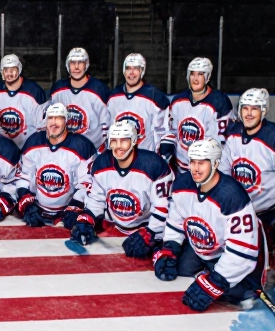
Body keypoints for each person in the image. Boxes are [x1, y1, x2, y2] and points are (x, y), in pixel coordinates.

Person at [152, 139, 266, 312]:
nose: (196, 169)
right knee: (176, 268)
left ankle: (221, 275)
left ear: (215, 163)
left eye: (202, 163)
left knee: (241, 293)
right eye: (193, 162)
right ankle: (208, 268)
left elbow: (242, 251)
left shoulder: (232, 196)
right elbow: (176, 222)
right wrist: (170, 248)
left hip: (235, 252)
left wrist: (214, 283)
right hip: (202, 245)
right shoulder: (182, 184)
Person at [75, 121, 175, 256]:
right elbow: (96, 199)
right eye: (114, 141)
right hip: (114, 225)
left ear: (134, 141)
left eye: (123, 141)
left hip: (146, 227)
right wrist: (87, 218)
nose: (118, 146)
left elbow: (164, 207)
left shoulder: (154, 165)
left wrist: (151, 232)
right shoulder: (101, 163)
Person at [220, 88, 275, 250]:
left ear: (264, 111)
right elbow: (224, 174)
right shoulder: (232, 133)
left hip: (271, 213)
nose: (248, 113)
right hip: (240, 211)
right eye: (245, 108)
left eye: (254, 109)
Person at [13, 103, 97, 227]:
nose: (54, 122)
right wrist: (26, 204)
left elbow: (87, 184)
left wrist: (75, 207)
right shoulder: (33, 142)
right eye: (51, 118)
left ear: (66, 121)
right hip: (38, 211)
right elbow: (23, 177)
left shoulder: (82, 146)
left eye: (59, 118)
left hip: (66, 213)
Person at [163, 57, 233, 173]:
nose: (195, 79)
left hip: (206, 170)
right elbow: (171, 132)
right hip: (181, 168)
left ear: (207, 77)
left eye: (200, 74)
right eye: (192, 74)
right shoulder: (178, 100)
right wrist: (167, 152)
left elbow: (221, 143)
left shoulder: (219, 102)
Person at [48, 47, 111, 150]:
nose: (76, 67)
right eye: (73, 63)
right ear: (68, 65)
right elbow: (49, 122)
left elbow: (107, 126)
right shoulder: (58, 89)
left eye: (80, 62)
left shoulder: (99, 89)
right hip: (65, 150)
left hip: (93, 151)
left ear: (86, 64)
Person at [106, 53, 170, 153]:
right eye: (128, 68)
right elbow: (109, 130)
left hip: (145, 159)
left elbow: (163, 132)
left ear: (142, 71)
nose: (131, 73)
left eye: (136, 68)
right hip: (119, 158)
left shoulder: (155, 97)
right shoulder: (113, 96)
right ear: (124, 71)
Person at [0, 54, 47, 148]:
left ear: (19, 69)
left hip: (28, 148)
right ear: (1, 71)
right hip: (3, 149)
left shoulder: (34, 91)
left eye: (13, 70)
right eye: (6, 70)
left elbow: (41, 126)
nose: (9, 73)